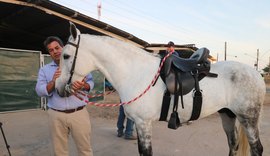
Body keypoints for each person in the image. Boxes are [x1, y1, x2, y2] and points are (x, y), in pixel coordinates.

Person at [35, 36, 94, 156]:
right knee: (59, 151)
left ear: (63, 48)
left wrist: (84, 85)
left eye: (57, 48)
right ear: (49, 53)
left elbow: (91, 82)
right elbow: (39, 91)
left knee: (85, 150)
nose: (55, 51)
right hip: (56, 115)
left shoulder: (79, 64)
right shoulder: (44, 70)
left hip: (79, 114)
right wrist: (53, 81)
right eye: (51, 50)